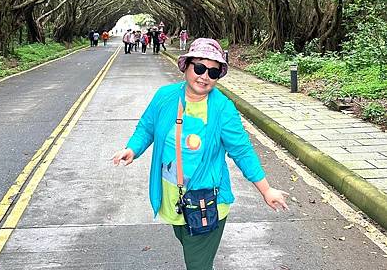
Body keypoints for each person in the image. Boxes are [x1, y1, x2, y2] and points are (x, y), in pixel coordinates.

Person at [113, 38, 288, 270]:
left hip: (207, 202)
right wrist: (132, 149)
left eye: (213, 72)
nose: (204, 76)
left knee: (197, 263)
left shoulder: (223, 108)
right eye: (199, 68)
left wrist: (266, 190)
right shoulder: (165, 96)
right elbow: (146, 127)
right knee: (196, 255)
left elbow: (242, 151)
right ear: (186, 66)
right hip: (173, 199)